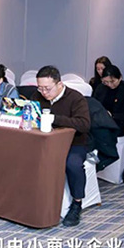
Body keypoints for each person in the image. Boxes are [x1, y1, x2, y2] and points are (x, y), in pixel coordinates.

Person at [31, 66, 91, 227]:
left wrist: (55, 119)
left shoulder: (76, 98)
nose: (43, 92)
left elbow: (84, 124)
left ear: (59, 84)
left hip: (73, 143)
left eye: (47, 88)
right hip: (44, 141)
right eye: (40, 88)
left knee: (73, 164)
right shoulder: (37, 95)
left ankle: (76, 204)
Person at [94, 65, 124, 139]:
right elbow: (95, 104)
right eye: (106, 82)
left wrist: (112, 115)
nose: (109, 85)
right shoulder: (101, 88)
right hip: (103, 120)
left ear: (120, 78)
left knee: (104, 133)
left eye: (112, 81)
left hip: (122, 122)